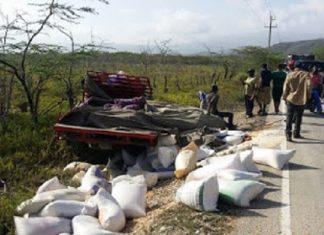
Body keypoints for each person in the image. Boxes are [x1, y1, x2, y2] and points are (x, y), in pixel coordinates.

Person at [282, 61, 312, 141]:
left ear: (294, 67)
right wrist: (308, 96)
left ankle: (288, 134)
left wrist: (284, 97)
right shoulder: (306, 75)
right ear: (301, 66)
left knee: (289, 117)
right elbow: (309, 86)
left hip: (291, 99)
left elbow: (285, 88)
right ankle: (296, 133)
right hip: (301, 100)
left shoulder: (289, 74)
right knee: (298, 117)